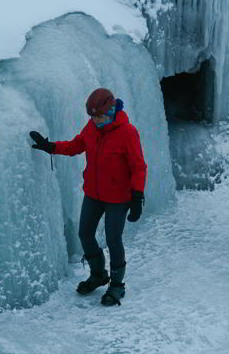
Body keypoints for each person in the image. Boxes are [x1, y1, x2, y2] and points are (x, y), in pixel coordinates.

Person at [29, 88, 147, 306]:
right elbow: (76, 145)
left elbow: (138, 167)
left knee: (113, 239)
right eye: (92, 117)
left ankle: (117, 285)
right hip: (93, 193)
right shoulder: (92, 128)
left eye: (99, 116)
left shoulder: (127, 132)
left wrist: (137, 195)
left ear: (111, 111)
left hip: (118, 198)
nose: (96, 120)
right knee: (85, 234)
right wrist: (51, 147)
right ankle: (99, 274)